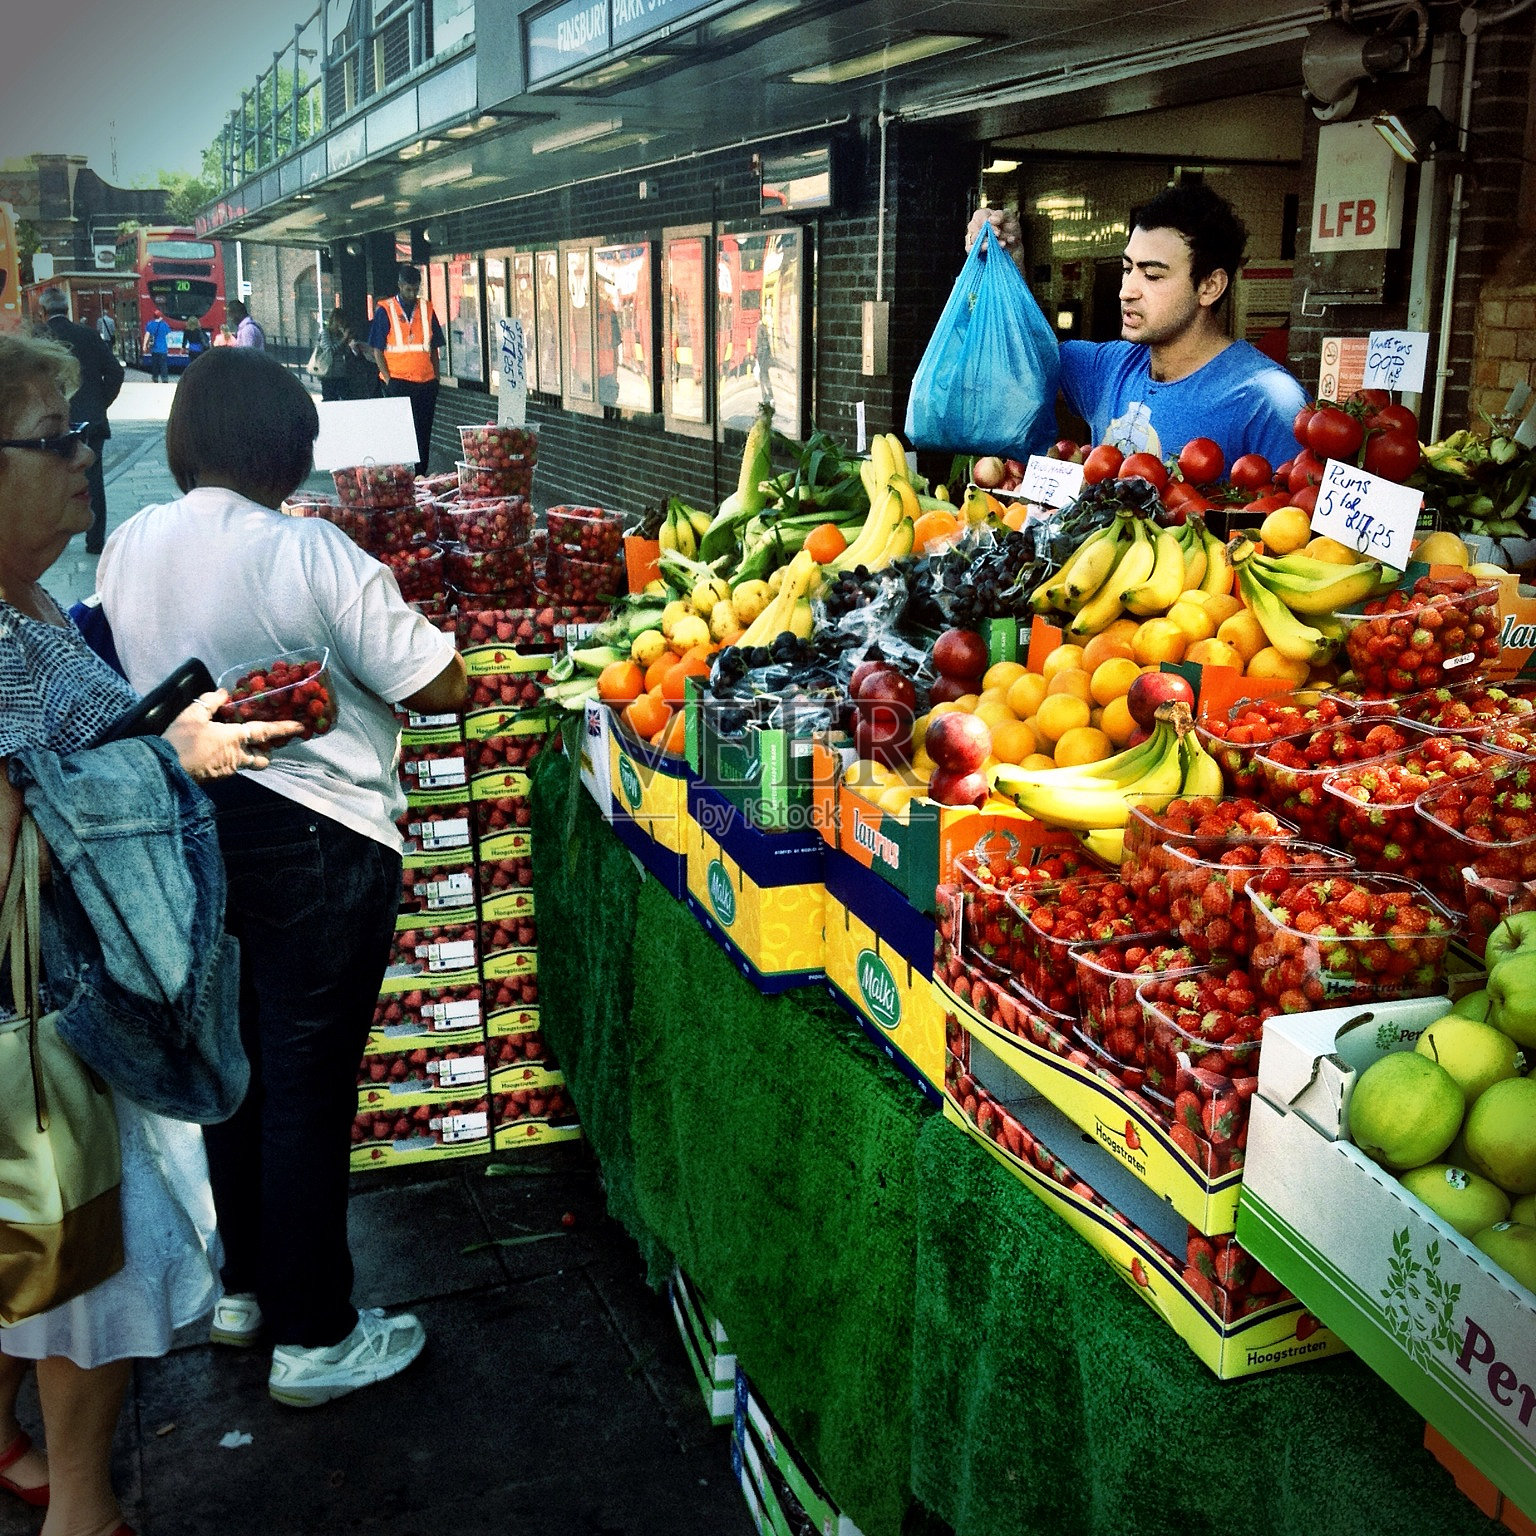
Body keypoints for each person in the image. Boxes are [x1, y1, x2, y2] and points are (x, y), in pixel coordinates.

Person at [98, 348, 469, 1409]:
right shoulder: (313, 554)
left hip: (193, 834)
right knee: (308, 1081)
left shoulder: (130, 548)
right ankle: (316, 1338)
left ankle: (246, 1291)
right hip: (318, 837)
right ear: (290, 447)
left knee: (237, 1066)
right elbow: (435, 681)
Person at [0, 329, 297, 1536]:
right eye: (55, 436)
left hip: (55, 1007)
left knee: (28, 1250)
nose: (86, 455)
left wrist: (162, 737)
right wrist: (158, 765)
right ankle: (84, 1512)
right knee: (81, 1269)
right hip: (41, 1024)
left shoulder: (27, 604)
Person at [966, 183, 1308, 472]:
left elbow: (1295, 529)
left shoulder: (1267, 401)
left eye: (1153, 275)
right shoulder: (1109, 367)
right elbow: (1022, 359)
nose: (1126, 290)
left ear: (1209, 287)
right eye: (1128, 268)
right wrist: (1008, 262)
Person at [37, 287, 123, 555]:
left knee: (49, 479)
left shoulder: (41, 338)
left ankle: (52, 539)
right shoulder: (88, 335)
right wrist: (100, 404)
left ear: (43, 312)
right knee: (93, 481)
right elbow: (115, 373)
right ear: (67, 309)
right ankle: (95, 541)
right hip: (91, 422)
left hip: (51, 425)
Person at [369, 265, 443, 473]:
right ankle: (401, 475)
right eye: (408, 289)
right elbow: (377, 350)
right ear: (400, 286)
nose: (412, 294)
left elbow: (434, 348)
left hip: (426, 382)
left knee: (423, 432)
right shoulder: (385, 310)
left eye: (416, 289)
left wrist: (436, 379)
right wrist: (389, 380)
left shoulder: (427, 309)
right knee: (401, 432)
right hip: (398, 381)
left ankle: (421, 474)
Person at [310, 310, 354, 403]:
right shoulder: (326, 333)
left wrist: (348, 343)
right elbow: (329, 350)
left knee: (346, 397)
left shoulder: (340, 334)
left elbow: (345, 353)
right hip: (328, 373)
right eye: (340, 321)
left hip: (341, 372)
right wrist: (343, 339)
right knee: (330, 398)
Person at [140, 310, 170, 384]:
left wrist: (144, 346)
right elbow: (168, 336)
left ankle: (155, 378)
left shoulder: (150, 324)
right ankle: (165, 378)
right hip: (163, 348)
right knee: (163, 364)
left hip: (154, 348)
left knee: (155, 364)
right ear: (161, 316)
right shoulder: (164, 325)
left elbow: (147, 335)